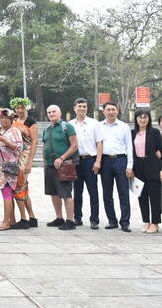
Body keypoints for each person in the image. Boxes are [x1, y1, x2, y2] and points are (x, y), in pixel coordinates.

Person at [42, 105, 79, 231]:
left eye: (54, 111)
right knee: (53, 193)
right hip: (50, 165)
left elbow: (74, 146)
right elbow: (44, 146)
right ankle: (59, 217)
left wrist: (62, 158)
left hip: (64, 165)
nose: (51, 114)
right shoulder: (47, 129)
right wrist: (44, 163)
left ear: (60, 113)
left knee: (66, 194)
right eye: (49, 112)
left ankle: (70, 220)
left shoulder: (67, 126)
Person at [99, 101, 134, 232]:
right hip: (105, 161)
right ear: (104, 112)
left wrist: (129, 166)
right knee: (107, 193)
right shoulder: (99, 126)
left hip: (121, 160)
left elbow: (129, 147)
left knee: (123, 193)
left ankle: (125, 222)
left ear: (117, 111)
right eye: (108, 109)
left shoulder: (124, 126)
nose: (111, 112)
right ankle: (112, 220)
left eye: (113, 109)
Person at [131, 110, 162, 234]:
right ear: (136, 119)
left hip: (152, 166)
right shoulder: (132, 133)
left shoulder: (155, 133)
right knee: (142, 196)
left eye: (145, 117)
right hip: (138, 167)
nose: (142, 120)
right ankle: (146, 221)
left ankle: (155, 223)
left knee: (154, 197)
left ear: (149, 119)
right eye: (140, 117)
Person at [70, 98, 103, 229]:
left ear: (87, 108)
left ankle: (94, 219)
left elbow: (99, 143)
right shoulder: (70, 124)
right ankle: (77, 217)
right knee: (77, 191)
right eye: (79, 106)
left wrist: (98, 161)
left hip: (90, 160)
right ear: (74, 108)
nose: (82, 109)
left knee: (93, 191)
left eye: (84, 106)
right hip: (76, 161)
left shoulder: (94, 124)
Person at [0, 108, 23, 231]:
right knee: (7, 193)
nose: (4, 120)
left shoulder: (14, 131)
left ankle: (6, 221)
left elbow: (19, 147)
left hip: (8, 167)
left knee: (7, 194)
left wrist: (5, 141)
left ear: (11, 120)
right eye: (2, 118)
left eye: (6, 118)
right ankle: (12, 219)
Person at [11, 97, 39, 228]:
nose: (20, 110)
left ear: (26, 108)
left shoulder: (31, 121)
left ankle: (23, 219)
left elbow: (34, 141)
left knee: (19, 186)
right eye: (17, 108)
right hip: (15, 155)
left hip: (25, 155)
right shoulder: (14, 121)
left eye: (22, 107)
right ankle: (32, 217)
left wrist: (30, 162)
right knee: (24, 187)